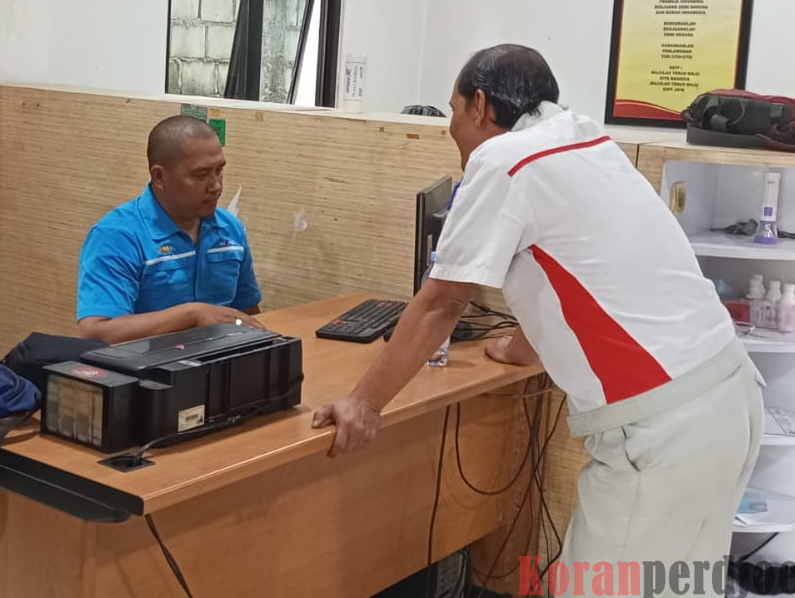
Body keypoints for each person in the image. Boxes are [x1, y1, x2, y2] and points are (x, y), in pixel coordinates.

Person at [314, 45, 763, 590]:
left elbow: (442, 302)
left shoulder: (503, 159)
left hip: (661, 428)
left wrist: (362, 404)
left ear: (480, 106)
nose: (451, 127)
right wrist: (524, 347)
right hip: (730, 397)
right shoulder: (585, 138)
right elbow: (573, 259)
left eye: (453, 111)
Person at [77, 114, 263, 344]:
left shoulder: (229, 229)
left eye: (219, 171)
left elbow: (248, 314)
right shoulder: (117, 236)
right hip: (145, 371)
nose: (216, 186)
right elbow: (97, 332)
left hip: (219, 365)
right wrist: (192, 314)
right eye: (201, 175)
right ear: (160, 176)